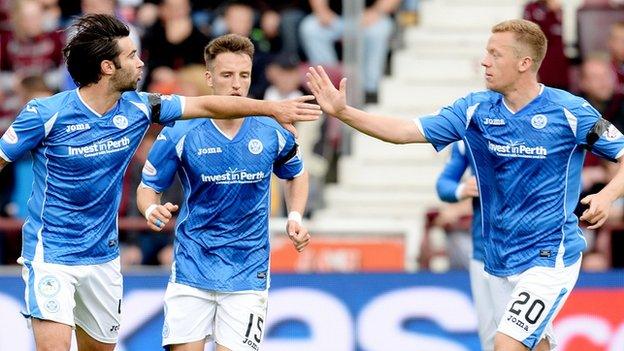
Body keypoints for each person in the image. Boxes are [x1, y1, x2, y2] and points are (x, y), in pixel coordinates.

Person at [0, 14, 319, 351]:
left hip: (103, 255)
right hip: (50, 252)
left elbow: (207, 104)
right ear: (108, 67)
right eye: (132, 56)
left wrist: (271, 109)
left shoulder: (141, 108)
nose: (141, 63)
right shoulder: (44, 113)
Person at [306, 19, 624, 351]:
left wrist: (608, 194)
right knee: (535, 345)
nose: (484, 61)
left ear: (524, 63)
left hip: (549, 256)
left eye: (495, 54)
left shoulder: (570, 112)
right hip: (498, 257)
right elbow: (403, 132)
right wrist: (343, 113)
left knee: (506, 344)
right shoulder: (474, 109)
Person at [136, 33, 311, 351]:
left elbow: (296, 174)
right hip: (192, 266)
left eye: (243, 75)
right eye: (227, 75)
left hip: (248, 271)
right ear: (209, 78)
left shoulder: (272, 130)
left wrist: (295, 216)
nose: (236, 84)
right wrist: (151, 209)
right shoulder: (181, 130)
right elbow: (148, 187)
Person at [435, 141, 496, 350]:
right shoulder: (468, 136)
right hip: (483, 253)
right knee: (490, 340)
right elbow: (444, 185)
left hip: (529, 253)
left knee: (530, 336)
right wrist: (463, 189)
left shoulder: (538, 129)